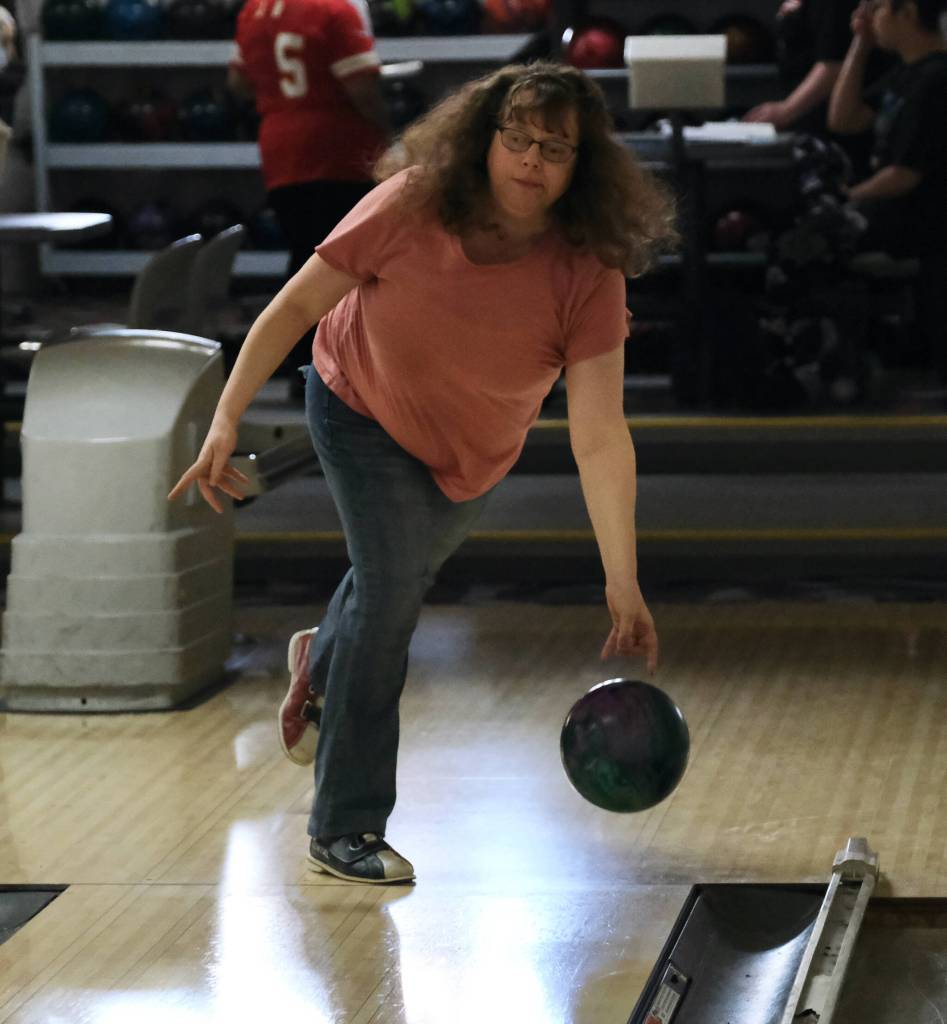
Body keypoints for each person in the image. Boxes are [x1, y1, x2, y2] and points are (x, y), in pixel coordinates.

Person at [168, 61, 677, 885]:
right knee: (393, 593)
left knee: (385, 584)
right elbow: (295, 307)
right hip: (356, 403)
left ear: (581, 168)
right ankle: (345, 828)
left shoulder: (587, 267)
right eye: (515, 139)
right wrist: (225, 416)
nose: (530, 160)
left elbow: (599, 436)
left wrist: (623, 583)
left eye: (554, 148)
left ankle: (320, 660)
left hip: (468, 454)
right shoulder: (410, 204)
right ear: (483, 141)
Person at [228, 0, 391, 397]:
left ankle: (300, 366)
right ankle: (325, 370)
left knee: (304, 257)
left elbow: (238, 83)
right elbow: (363, 90)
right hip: (335, 149)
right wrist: (393, 135)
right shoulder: (334, 10)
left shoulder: (255, 10)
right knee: (343, 266)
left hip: (280, 149)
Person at [828, 0, 947, 376]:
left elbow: (903, 175)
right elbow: (844, 119)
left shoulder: (937, 80)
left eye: (877, 8)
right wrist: (859, 45)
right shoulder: (908, 75)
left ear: (907, 12)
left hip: (923, 219)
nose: (868, 18)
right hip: (902, 210)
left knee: (812, 244)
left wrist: (849, 198)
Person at [745, 0, 892, 175]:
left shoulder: (833, 6)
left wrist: (786, 110)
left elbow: (833, 63)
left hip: (828, 124)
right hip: (811, 119)